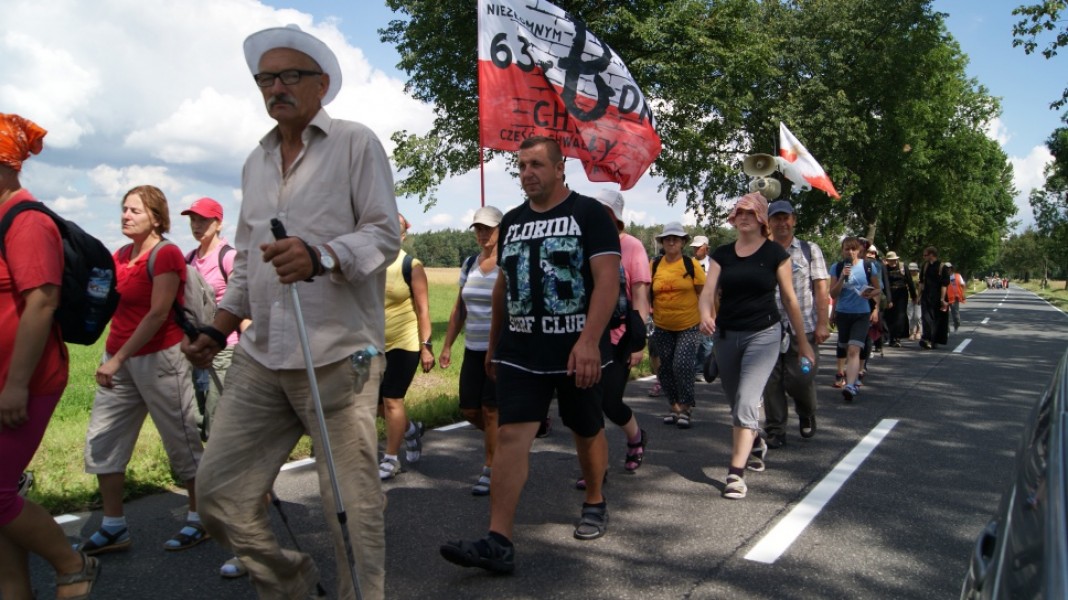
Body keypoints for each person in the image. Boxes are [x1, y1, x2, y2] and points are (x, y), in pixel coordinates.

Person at [182, 24, 399, 599]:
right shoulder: (254, 162)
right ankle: (290, 582)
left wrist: (321, 256)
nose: (276, 87)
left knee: (349, 506)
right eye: (266, 79)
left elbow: (383, 235)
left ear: (321, 85)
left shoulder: (355, 143)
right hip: (261, 356)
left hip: (337, 355)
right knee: (217, 495)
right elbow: (247, 266)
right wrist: (217, 329)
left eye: (290, 76)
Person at [439, 135, 620, 573]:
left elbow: (607, 280)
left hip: (575, 349)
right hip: (521, 350)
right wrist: (494, 344)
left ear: (559, 168)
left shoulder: (588, 215)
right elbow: (503, 286)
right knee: (510, 436)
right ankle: (498, 540)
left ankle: (595, 500)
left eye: (536, 165)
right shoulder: (514, 221)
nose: (527, 173)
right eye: (521, 166)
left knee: (585, 427)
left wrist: (589, 341)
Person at [0, 114, 101, 600]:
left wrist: (16, 385)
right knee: (2, 498)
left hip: (24, 381)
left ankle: (72, 565)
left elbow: (42, 302)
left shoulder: (28, 221)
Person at [78, 184, 206, 556]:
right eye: (124, 209)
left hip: (160, 359)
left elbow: (157, 314)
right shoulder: (120, 255)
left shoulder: (166, 254)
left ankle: (201, 517)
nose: (126, 215)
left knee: (181, 442)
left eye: (135, 210)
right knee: (104, 439)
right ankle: (113, 526)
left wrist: (117, 359)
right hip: (118, 357)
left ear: (156, 217)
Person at [698, 192, 814, 500]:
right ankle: (756, 441)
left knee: (747, 401)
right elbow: (708, 292)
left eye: (750, 212)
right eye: (739, 212)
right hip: (726, 336)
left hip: (763, 335)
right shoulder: (722, 254)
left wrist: (804, 343)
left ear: (761, 217)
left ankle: (735, 474)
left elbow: (789, 299)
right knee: (736, 401)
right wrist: (705, 314)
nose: (744, 217)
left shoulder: (775, 254)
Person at [580, 189, 651, 485]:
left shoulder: (632, 246)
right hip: (589, 335)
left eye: (606, 212)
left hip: (620, 337)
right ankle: (597, 467)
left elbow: (640, 297)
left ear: (616, 217)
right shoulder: (584, 243)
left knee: (610, 402)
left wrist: (637, 342)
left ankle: (635, 437)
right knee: (589, 404)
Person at [439, 205, 503, 495]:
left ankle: (491, 469)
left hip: (499, 350)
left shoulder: (507, 264)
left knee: (490, 410)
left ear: (501, 229)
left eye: (487, 228)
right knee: (469, 409)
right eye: (478, 228)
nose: (482, 233)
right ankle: (507, 441)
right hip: (473, 349)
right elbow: (459, 309)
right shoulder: (469, 264)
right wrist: (447, 345)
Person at [762, 200, 829, 449]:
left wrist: (823, 323)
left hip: (804, 328)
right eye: (776, 218)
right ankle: (776, 429)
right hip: (768, 327)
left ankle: (806, 410)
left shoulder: (809, 250)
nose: (782, 223)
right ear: (769, 222)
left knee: (800, 378)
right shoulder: (761, 251)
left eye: (786, 218)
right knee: (771, 381)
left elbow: (821, 289)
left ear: (794, 220)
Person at [180, 197, 246, 441]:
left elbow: (242, 301)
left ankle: (223, 460)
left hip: (224, 348)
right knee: (192, 416)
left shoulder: (228, 257)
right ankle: (201, 461)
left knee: (217, 417)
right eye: (193, 220)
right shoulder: (189, 259)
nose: (196, 225)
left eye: (203, 220)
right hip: (194, 348)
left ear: (218, 223)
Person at [377, 214, 432, 481]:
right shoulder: (372, 264)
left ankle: (391, 459)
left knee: (391, 399)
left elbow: (423, 310)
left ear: (402, 236)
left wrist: (426, 346)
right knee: (374, 403)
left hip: (405, 342)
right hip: (376, 343)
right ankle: (410, 429)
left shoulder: (411, 265)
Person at [650, 222, 706, 428]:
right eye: (667, 238)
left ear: (683, 242)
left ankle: (686, 407)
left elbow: (704, 293)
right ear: (662, 242)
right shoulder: (655, 265)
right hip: (662, 324)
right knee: (665, 368)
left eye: (676, 238)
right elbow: (646, 291)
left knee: (681, 364)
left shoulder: (691, 265)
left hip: (688, 324)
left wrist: (709, 317)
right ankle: (673, 406)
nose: (671, 242)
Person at [828, 236, 882, 402]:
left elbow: (878, 289)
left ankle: (850, 386)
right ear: (842, 251)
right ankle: (850, 377)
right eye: (847, 249)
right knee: (845, 347)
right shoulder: (837, 267)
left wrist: (871, 297)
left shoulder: (868, 266)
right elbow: (833, 294)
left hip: (861, 314)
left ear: (859, 250)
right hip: (843, 314)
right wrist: (842, 278)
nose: (850, 252)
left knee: (854, 349)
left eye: (853, 249)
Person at [689, 234, 714, 379]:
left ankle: (706, 369)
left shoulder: (713, 264)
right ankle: (697, 369)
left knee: (707, 340)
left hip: (710, 306)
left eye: (699, 247)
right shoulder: (689, 263)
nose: (696, 250)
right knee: (694, 340)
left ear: (706, 248)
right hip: (692, 307)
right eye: (694, 247)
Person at [918, 246, 950, 350]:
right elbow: (921, 282)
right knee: (926, 318)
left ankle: (934, 340)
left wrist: (942, 299)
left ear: (932, 255)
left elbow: (944, 285)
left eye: (925, 255)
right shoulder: (925, 266)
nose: (924, 257)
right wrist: (919, 296)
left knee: (937, 319)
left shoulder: (942, 267)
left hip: (938, 297)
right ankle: (926, 338)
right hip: (926, 296)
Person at [882, 251, 916, 347]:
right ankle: (891, 337)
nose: (893, 262)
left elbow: (910, 282)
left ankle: (897, 337)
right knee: (889, 316)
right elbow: (885, 284)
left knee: (900, 315)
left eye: (894, 260)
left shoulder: (903, 267)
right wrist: (888, 299)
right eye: (890, 260)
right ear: (887, 260)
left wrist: (914, 296)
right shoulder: (885, 268)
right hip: (890, 293)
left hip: (902, 293)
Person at [945, 261, 966, 331]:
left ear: (951, 268)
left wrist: (963, 294)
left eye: (948, 268)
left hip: (954, 298)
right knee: (944, 315)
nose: (947, 269)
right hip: (945, 298)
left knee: (955, 315)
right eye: (945, 268)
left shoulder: (957, 276)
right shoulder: (941, 277)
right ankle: (946, 329)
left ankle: (957, 323)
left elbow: (963, 285)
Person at [907, 262, 922, 340]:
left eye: (913, 270)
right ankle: (912, 332)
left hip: (918, 298)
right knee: (910, 316)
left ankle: (918, 331)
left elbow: (921, 288)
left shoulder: (919, 277)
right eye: (910, 270)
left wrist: (918, 297)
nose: (912, 271)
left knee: (917, 316)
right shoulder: (907, 277)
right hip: (909, 298)